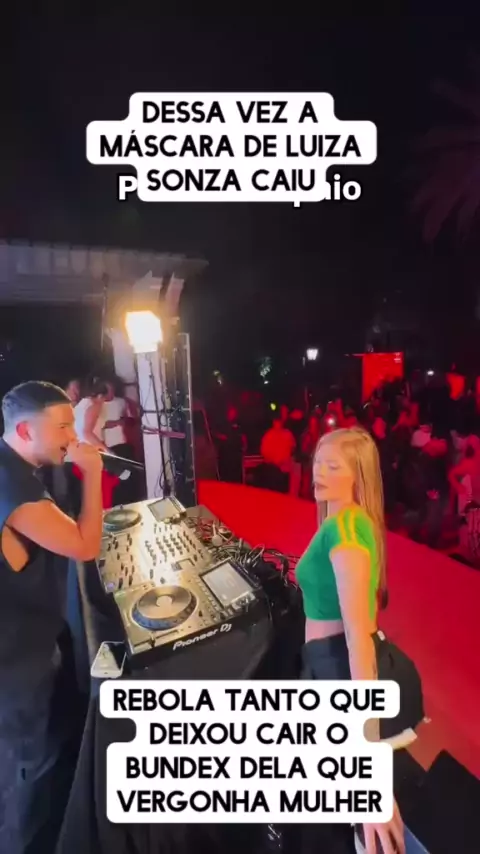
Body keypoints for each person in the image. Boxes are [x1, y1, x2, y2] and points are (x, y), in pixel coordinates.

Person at [295, 427, 417, 854]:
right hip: (326, 666)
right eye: (318, 461)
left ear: (357, 476)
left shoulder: (346, 532)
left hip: (338, 673)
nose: (319, 472)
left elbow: (359, 645)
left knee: (364, 818)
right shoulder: (344, 521)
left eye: (333, 466)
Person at [0, 381, 103, 854]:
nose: (72, 436)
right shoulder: (15, 486)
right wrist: (93, 474)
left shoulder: (16, 468)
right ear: (25, 431)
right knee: (27, 783)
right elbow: (84, 544)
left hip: (29, 646)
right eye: (62, 426)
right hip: (18, 664)